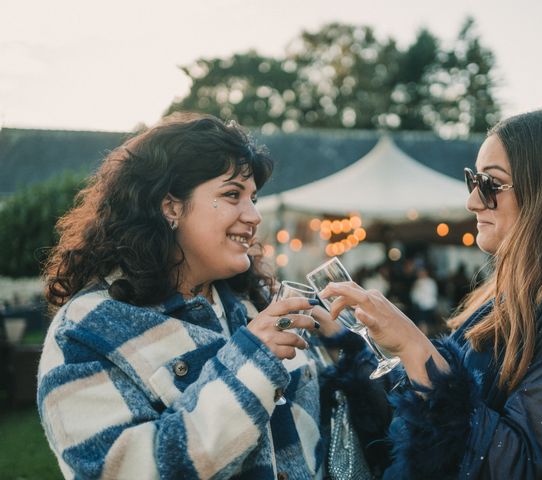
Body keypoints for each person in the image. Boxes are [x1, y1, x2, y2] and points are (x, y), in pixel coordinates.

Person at [321, 108, 542, 478]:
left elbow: (531, 469)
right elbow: (422, 435)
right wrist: (350, 343)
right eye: (473, 180)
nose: (473, 201)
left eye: (490, 184)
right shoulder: (504, 294)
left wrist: (416, 348)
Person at [37, 113, 347, 479]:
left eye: (253, 198)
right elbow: (121, 470)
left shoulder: (255, 302)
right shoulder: (85, 330)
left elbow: (326, 440)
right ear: (170, 206)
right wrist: (251, 364)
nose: (254, 216)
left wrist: (349, 355)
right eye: (232, 194)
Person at [410, 267, 438, 335]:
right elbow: (414, 295)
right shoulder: (417, 282)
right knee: (421, 323)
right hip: (419, 306)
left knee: (426, 323)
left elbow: (431, 294)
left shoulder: (430, 282)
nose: (420, 274)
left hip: (429, 305)